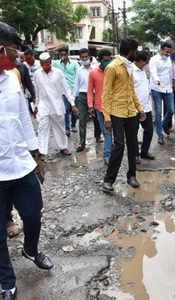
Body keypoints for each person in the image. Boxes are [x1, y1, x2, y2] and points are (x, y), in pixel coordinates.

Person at [0, 22, 53, 300]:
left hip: (20, 165)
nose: (17, 57)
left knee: (33, 215)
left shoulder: (12, 77)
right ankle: (6, 282)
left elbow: (23, 117)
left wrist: (37, 155)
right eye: (12, 51)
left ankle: (30, 250)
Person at [102, 39, 146, 193]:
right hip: (117, 113)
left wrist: (140, 109)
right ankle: (108, 180)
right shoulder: (112, 67)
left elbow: (131, 90)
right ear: (130, 51)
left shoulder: (129, 67)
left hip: (131, 112)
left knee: (133, 144)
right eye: (135, 50)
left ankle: (132, 176)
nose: (136, 53)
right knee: (119, 145)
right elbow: (106, 94)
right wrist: (107, 117)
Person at [34, 52, 78, 158]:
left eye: (47, 64)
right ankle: (42, 151)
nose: (46, 66)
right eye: (43, 64)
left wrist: (72, 104)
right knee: (42, 128)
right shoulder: (37, 74)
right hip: (43, 106)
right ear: (41, 64)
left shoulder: (58, 73)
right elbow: (37, 91)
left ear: (50, 62)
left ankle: (63, 147)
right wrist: (36, 105)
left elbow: (66, 89)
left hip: (57, 105)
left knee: (60, 128)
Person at [88, 49, 113, 165]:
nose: (107, 62)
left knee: (114, 132)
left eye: (109, 60)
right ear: (99, 60)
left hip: (114, 107)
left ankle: (111, 150)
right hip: (100, 107)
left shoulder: (113, 71)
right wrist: (90, 106)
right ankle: (107, 155)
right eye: (105, 60)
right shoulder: (93, 73)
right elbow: (89, 91)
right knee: (107, 132)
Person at [149, 41, 174, 145]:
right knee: (158, 112)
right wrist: (159, 82)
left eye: (169, 52)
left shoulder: (168, 59)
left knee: (171, 110)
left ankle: (163, 125)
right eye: (167, 51)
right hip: (157, 88)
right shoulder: (154, 59)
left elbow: (170, 72)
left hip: (168, 88)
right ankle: (160, 135)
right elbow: (153, 73)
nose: (168, 54)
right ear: (161, 49)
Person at [53, 47, 79, 136]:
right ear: (59, 55)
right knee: (66, 109)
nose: (63, 56)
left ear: (68, 54)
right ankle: (67, 128)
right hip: (63, 91)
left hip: (73, 90)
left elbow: (78, 76)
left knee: (74, 109)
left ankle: (73, 125)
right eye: (61, 54)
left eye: (65, 54)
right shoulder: (56, 64)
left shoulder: (75, 64)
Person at [133, 51, 155, 160]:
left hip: (146, 107)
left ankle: (144, 152)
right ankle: (135, 155)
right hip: (134, 109)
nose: (146, 64)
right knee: (133, 132)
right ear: (139, 61)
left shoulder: (143, 71)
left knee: (149, 130)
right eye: (145, 62)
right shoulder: (131, 71)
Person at [74, 48, 94, 152]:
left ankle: (98, 137)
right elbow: (76, 86)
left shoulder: (95, 69)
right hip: (82, 96)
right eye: (83, 57)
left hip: (94, 95)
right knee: (82, 121)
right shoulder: (79, 70)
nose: (85, 59)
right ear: (80, 58)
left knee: (97, 119)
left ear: (89, 57)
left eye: (86, 57)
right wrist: (74, 101)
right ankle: (82, 143)